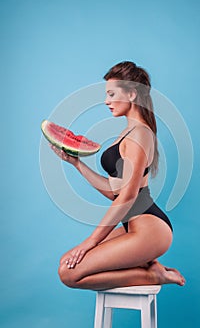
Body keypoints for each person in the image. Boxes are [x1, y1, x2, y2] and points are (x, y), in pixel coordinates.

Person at [51, 61, 186, 290]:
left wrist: (90, 242)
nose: (106, 101)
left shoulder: (140, 134)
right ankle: (150, 267)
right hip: (133, 225)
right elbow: (117, 192)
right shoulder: (129, 132)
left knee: (68, 274)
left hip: (151, 229)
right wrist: (76, 164)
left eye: (112, 94)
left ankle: (154, 276)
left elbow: (128, 197)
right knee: (66, 263)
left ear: (132, 94)